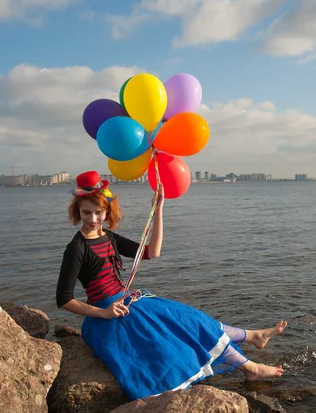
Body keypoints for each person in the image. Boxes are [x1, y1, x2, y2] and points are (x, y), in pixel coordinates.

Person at [56, 170, 287, 400]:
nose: (93, 219)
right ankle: (251, 366)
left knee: (189, 319)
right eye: (87, 212)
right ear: (77, 210)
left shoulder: (109, 238)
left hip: (128, 304)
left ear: (107, 210)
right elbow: (64, 299)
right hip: (107, 317)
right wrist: (103, 312)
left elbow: (152, 252)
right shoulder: (76, 248)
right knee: (177, 335)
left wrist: (158, 210)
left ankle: (253, 339)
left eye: (99, 212)